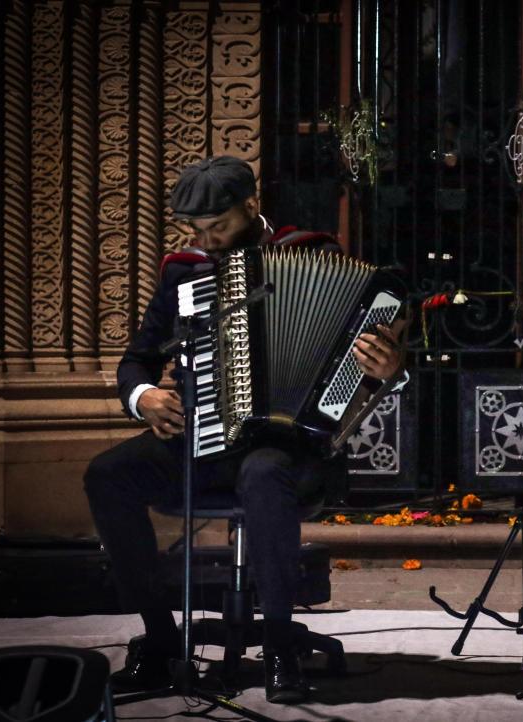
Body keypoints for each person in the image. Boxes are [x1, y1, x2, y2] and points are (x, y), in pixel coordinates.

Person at [84, 156, 405, 704]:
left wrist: (388, 369)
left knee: (263, 473)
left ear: (252, 207)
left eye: (219, 228)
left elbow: (365, 371)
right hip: (202, 437)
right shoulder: (183, 272)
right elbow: (135, 360)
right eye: (197, 231)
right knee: (107, 475)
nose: (206, 242)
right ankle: (162, 643)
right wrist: (145, 397)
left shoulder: (313, 253)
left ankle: (280, 645)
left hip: (294, 449)